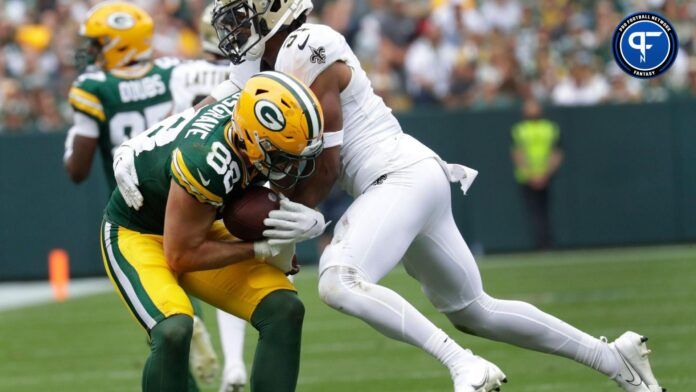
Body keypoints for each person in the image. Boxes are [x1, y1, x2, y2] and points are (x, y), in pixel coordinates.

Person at [116, 1, 665, 390]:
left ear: (274, 9)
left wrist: (298, 224)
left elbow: (327, 162)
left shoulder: (314, 45)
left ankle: (462, 366)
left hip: (395, 176)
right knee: (476, 310)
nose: (232, 25)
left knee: (338, 280)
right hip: (405, 181)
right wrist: (148, 141)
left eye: (241, 12)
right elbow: (216, 114)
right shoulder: (259, 62)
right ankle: (611, 358)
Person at [103, 72, 325, 392]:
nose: (289, 167)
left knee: (283, 309)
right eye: (279, 155)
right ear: (251, 137)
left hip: (200, 222)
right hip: (137, 232)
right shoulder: (207, 160)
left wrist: (299, 226)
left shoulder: (243, 109)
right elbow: (181, 255)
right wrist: (258, 249)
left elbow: (185, 117)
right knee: (173, 329)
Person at [63, 2, 218, 389]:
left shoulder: (94, 87)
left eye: (98, 43)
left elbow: (77, 170)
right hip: (187, 194)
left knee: (162, 320)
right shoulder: (173, 72)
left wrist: (78, 131)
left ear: (119, 43)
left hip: (135, 211)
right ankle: (193, 321)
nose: (90, 50)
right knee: (178, 301)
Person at [168, 5, 249, 391]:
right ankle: (234, 361)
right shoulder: (254, 70)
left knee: (178, 261)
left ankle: (188, 324)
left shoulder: (183, 73)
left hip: (197, 170)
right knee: (233, 268)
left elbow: (176, 122)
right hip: (242, 172)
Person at [511, 99, 563, 249]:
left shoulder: (550, 128)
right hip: (530, 177)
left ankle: (547, 242)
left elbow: (556, 153)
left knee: (544, 211)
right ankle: (541, 242)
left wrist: (544, 174)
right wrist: (533, 175)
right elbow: (518, 154)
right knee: (536, 212)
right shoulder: (520, 129)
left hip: (543, 176)